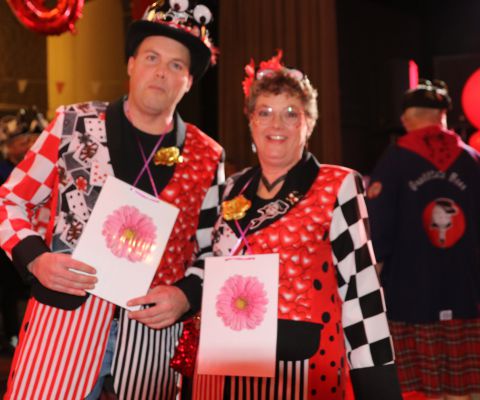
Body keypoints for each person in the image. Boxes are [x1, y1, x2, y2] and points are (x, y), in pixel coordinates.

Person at [0, 1, 224, 399]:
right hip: (63, 323)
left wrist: (186, 296)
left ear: (189, 81)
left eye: (176, 65)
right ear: (131, 65)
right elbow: (9, 200)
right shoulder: (72, 124)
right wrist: (36, 258)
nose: (161, 71)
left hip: (152, 339)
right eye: (152, 57)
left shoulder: (208, 155)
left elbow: (215, 250)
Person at [190, 51, 402, 400]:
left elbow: (360, 288)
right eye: (265, 112)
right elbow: (206, 266)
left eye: (291, 113)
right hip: (227, 368)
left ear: (309, 123)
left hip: (302, 370)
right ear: (251, 122)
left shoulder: (336, 185)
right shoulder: (230, 189)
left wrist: (377, 389)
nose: (276, 124)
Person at [366, 80, 480, 400]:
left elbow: (379, 232)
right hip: (467, 295)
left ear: (406, 119)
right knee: (465, 388)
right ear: (443, 116)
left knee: (419, 391)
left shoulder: (394, 161)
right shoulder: (472, 160)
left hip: (410, 297)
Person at [0, 108, 46, 355]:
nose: (27, 146)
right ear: (8, 147)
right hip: (7, 243)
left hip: (34, 241)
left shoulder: (40, 168)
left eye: (30, 141)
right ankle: (11, 335)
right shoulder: (3, 170)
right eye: (22, 142)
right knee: (8, 292)